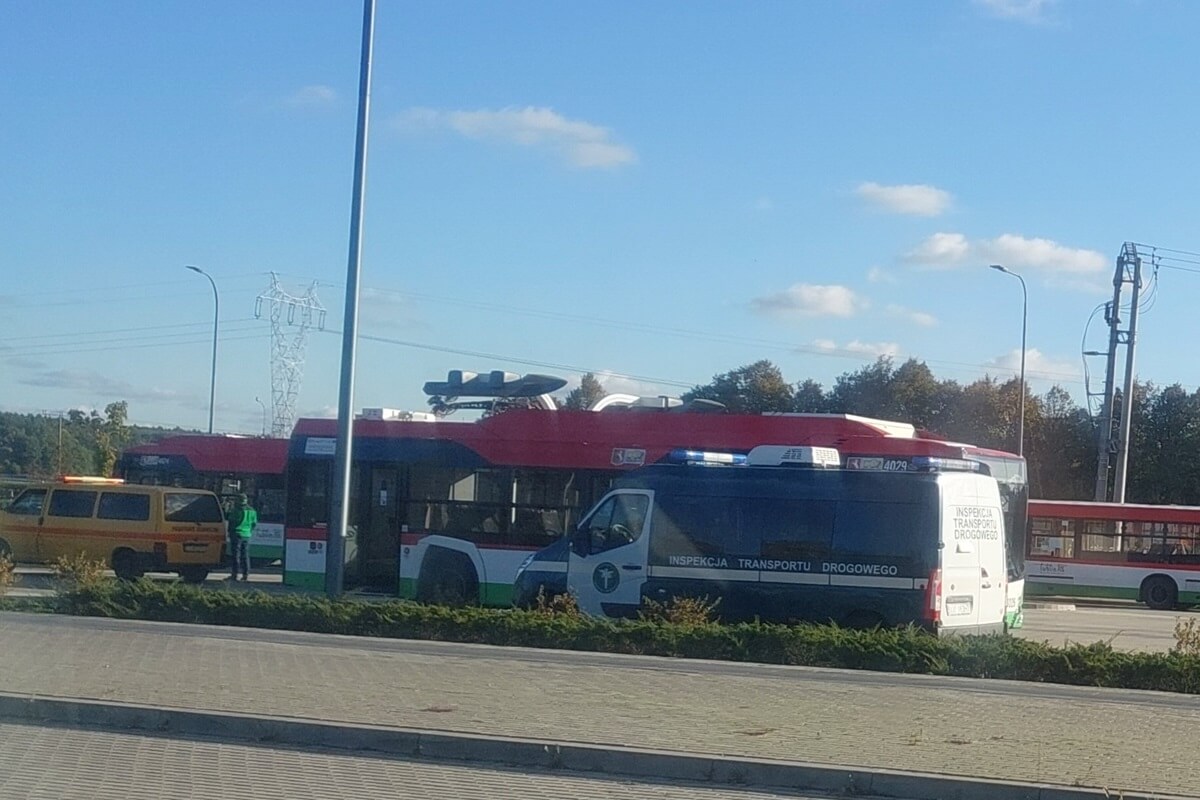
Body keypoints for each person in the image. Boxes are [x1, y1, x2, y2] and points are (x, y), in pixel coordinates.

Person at [228, 493, 257, 582]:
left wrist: (229, 532)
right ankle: (245, 575)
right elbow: (254, 524)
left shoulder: (235, 510)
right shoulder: (252, 510)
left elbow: (231, 522)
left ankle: (234, 574)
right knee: (245, 555)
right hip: (247, 535)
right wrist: (249, 531)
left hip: (236, 534)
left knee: (236, 555)